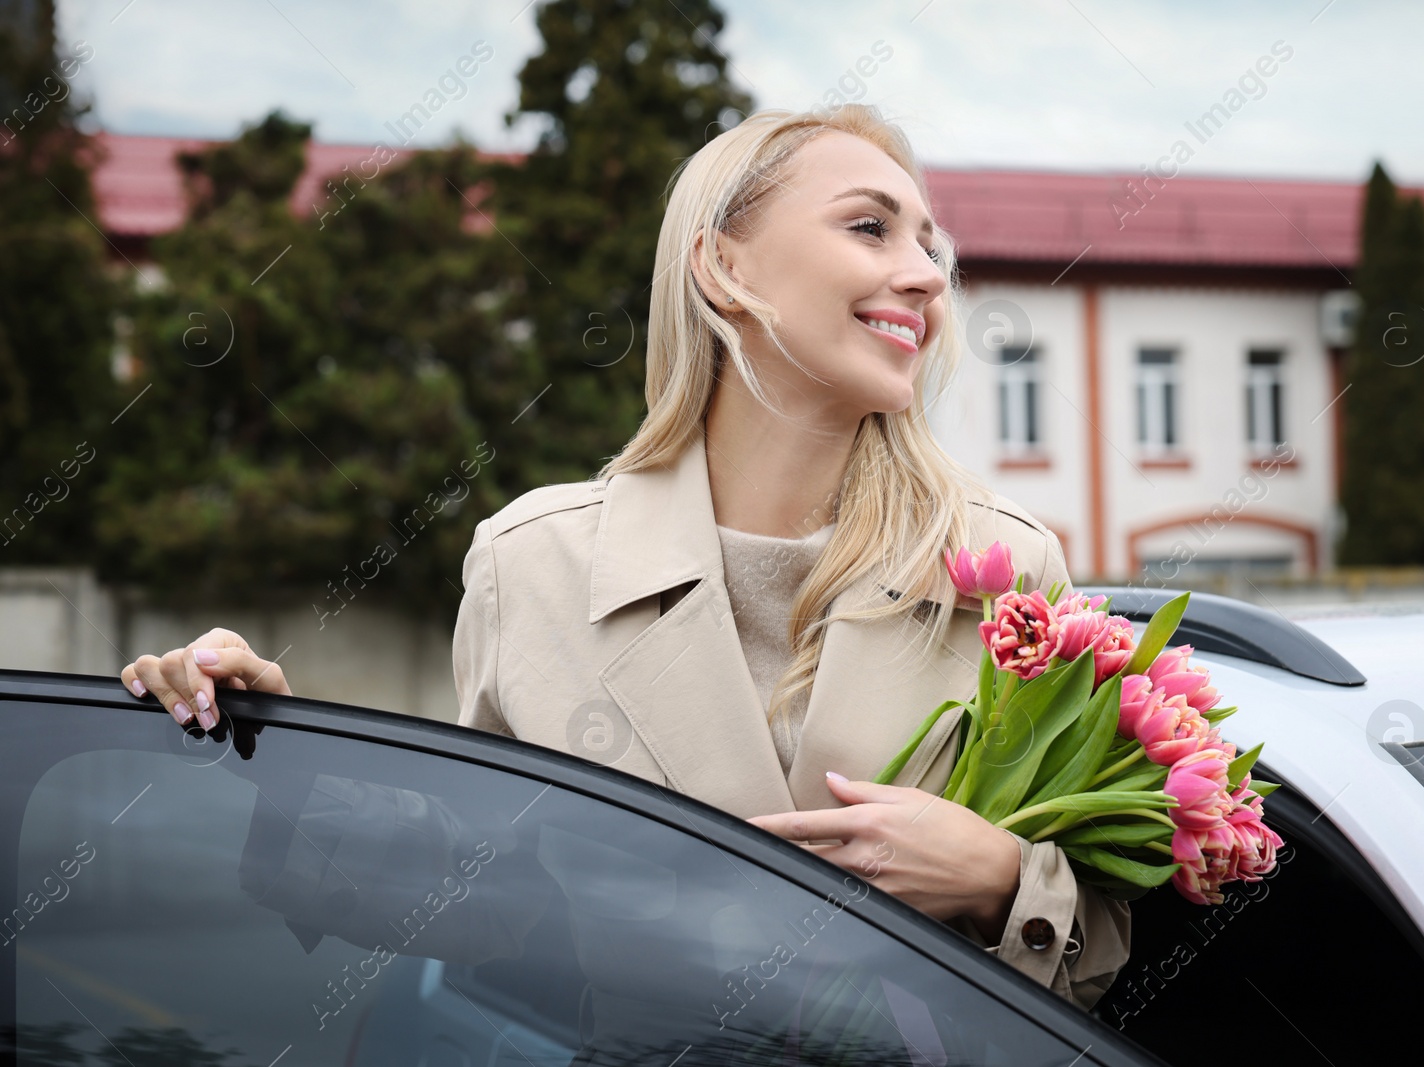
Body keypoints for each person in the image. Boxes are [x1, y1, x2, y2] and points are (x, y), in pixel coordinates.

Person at [118, 103, 1132, 1010]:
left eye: (929, 241)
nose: (925, 272)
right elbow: (482, 901)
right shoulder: (535, 563)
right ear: (723, 268)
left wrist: (1003, 878)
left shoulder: (1004, 569)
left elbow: (1108, 945)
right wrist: (284, 750)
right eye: (869, 226)